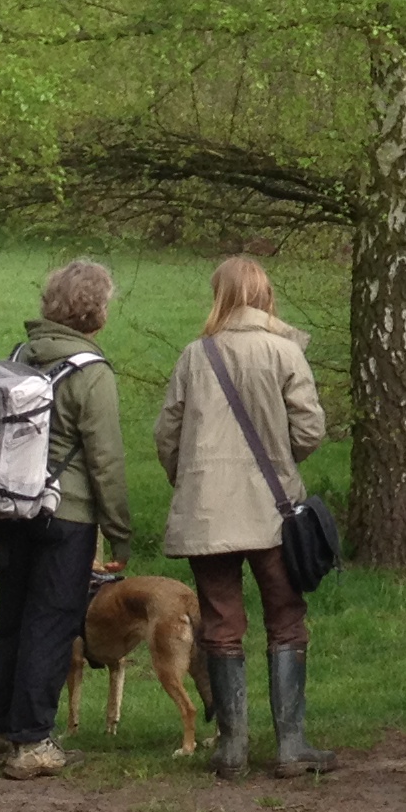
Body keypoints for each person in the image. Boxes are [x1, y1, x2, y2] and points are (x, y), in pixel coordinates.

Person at [154, 255, 332, 780]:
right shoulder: (285, 353)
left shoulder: (194, 356)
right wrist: (280, 465)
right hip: (273, 512)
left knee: (222, 625)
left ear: (219, 296)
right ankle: (291, 746)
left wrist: (191, 481)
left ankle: (231, 748)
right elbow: (310, 430)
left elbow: (168, 435)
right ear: (266, 294)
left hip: (208, 512)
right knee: (286, 619)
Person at [0, 259, 134, 780]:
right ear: (98, 312)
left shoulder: (20, 356)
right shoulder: (92, 373)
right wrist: (121, 531)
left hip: (11, 507)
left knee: (13, 620)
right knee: (53, 622)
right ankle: (31, 741)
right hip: (68, 515)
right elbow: (105, 461)